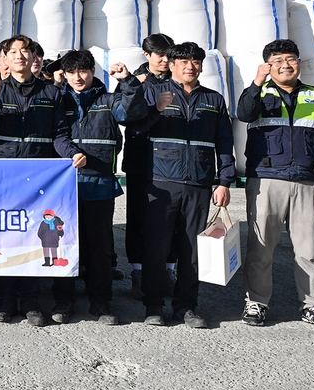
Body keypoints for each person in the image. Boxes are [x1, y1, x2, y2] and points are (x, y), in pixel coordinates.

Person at [234, 39, 314, 331]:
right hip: (267, 180)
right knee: (260, 249)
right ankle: (256, 302)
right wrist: (257, 82)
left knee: (309, 250)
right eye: (278, 60)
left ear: (298, 62)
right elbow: (244, 114)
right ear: (268, 65)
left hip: (308, 182)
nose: (286, 65)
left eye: (291, 59)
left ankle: (313, 305)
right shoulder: (258, 93)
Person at [133, 41, 234, 328]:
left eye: (195, 62)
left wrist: (224, 181)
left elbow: (224, 141)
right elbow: (135, 129)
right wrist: (156, 110)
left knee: (192, 249)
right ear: (173, 65)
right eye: (184, 62)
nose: (190, 67)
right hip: (162, 182)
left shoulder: (214, 99)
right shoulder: (154, 92)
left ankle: (186, 306)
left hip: (199, 183)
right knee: (156, 247)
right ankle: (153, 305)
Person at [0, 35, 78, 326]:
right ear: (4, 59)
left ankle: (31, 301)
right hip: (4, 177)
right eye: (13, 52)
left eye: (25, 51)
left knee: (33, 237)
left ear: (34, 57)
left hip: (38, 179)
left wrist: (72, 154)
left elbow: (59, 134)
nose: (20, 56)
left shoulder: (51, 92)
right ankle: (5, 300)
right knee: (6, 237)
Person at [54, 49, 147, 325]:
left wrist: (128, 82)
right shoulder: (59, 100)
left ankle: (101, 301)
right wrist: (71, 152)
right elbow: (57, 135)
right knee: (64, 244)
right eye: (72, 72)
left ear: (93, 71)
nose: (77, 77)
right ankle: (64, 299)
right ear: (65, 75)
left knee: (100, 247)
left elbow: (131, 112)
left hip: (100, 185)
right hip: (66, 187)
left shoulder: (108, 100)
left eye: (83, 71)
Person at [123, 33, 175, 299]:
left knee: (171, 217)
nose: (165, 60)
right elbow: (125, 119)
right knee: (138, 217)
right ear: (147, 55)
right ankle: (138, 272)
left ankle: (169, 270)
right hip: (140, 159)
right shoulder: (134, 82)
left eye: (169, 55)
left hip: (173, 161)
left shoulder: (179, 79)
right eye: (160, 55)